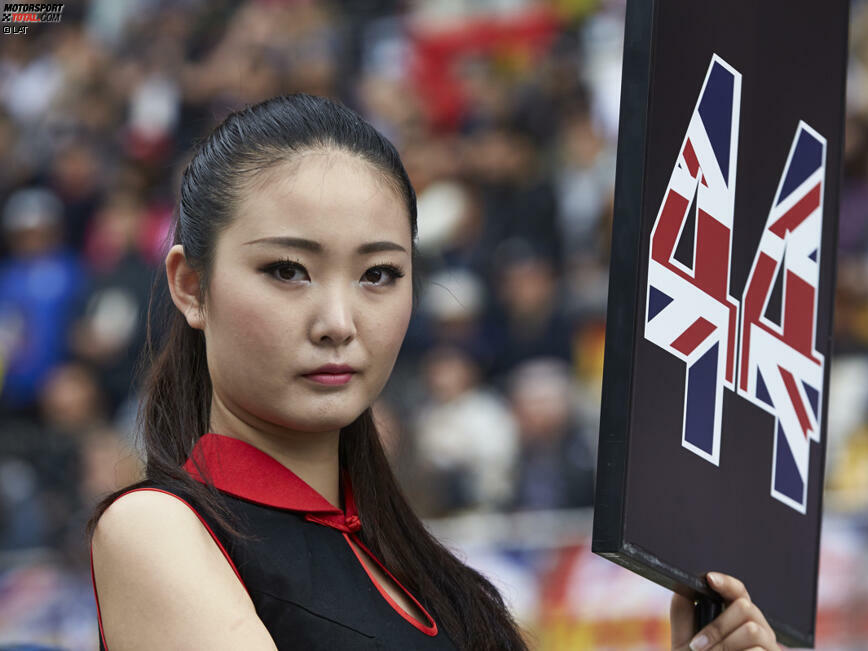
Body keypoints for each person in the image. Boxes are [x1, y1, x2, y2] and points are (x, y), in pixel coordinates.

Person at [87, 94, 781, 651]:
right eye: (287, 270)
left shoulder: (427, 572)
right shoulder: (157, 530)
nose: (338, 320)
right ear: (190, 285)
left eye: (379, 274)